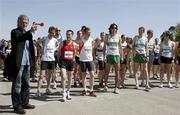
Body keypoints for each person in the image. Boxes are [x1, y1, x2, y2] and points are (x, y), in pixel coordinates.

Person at [8, 14, 36, 114]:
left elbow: (30, 48)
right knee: (17, 85)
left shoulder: (27, 33)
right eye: (23, 22)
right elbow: (19, 39)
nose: (25, 24)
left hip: (27, 62)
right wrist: (30, 32)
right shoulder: (15, 32)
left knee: (26, 84)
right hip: (18, 63)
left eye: (26, 22)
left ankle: (25, 102)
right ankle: (17, 106)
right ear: (18, 22)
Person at [36, 26, 59, 96]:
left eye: (53, 32)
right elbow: (36, 43)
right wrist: (40, 49)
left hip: (51, 60)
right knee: (41, 76)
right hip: (44, 59)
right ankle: (38, 90)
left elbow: (58, 45)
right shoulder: (44, 38)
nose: (52, 34)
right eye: (51, 32)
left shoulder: (55, 40)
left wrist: (55, 49)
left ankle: (48, 89)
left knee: (50, 76)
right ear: (48, 32)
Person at [104, 23, 123, 94]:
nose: (114, 29)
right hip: (109, 55)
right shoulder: (107, 36)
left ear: (116, 29)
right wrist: (104, 56)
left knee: (117, 72)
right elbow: (104, 47)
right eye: (112, 28)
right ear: (110, 29)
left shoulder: (118, 36)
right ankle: (105, 85)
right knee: (107, 72)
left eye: (115, 28)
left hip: (116, 56)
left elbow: (120, 47)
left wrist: (122, 56)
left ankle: (116, 87)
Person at [59, 30, 77, 101]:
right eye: (67, 34)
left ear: (72, 35)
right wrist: (59, 59)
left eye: (69, 34)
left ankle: (68, 91)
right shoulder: (62, 43)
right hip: (63, 61)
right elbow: (59, 51)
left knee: (70, 78)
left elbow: (75, 53)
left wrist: (74, 59)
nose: (68, 35)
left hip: (70, 61)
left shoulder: (74, 44)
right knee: (63, 76)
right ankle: (63, 92)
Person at [79, 27, 96, 97]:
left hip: (90, 60)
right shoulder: (81, 40)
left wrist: (94, 57)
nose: (89, 33)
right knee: (84, 75)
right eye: (88, 32)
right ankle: (84, 89)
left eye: (90, 32)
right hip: (83, 60)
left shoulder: (92, 40)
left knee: (92, 74)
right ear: (85, 32)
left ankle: (91, 90)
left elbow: (92, 48)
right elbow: (78, 49)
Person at [132, 26, 150, 91]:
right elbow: (133, 46)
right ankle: (137, 84)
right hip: (136, 55)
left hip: (143, 55)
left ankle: (147, 84)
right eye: (139, 30)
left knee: (145, 69)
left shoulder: (145, 38)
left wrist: (147, 56)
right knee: (136, 70)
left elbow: (147, 48)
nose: (140, 31)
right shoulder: (135, 37)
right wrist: (136, 50)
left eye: (141, 30)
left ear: (143, 31)